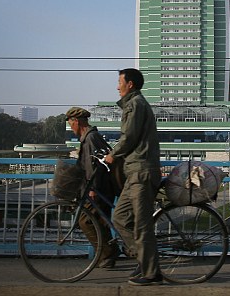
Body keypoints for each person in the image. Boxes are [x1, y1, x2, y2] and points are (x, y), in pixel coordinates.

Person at [103, 68, 162, 286]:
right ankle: (147, 261)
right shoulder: (133, 104)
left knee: (142, 225)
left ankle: (151, 272)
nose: (117, 86)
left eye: (120, 82)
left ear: (130, 85)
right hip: (134, 172)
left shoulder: (135, 105)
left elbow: (129, 137)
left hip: (142, 171)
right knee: (119, 217)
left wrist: (113, 154)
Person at [66, 106, 119, 269]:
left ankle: (107, 254)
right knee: (100, 221)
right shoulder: (91, 136)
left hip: (98, 188)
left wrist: (91, 189)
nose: (71, 127)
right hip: (102, 187)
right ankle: (109, 254)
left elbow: (93, 166)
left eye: (71, 123)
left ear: (77, 121)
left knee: (85, 220)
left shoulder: (89, 139)